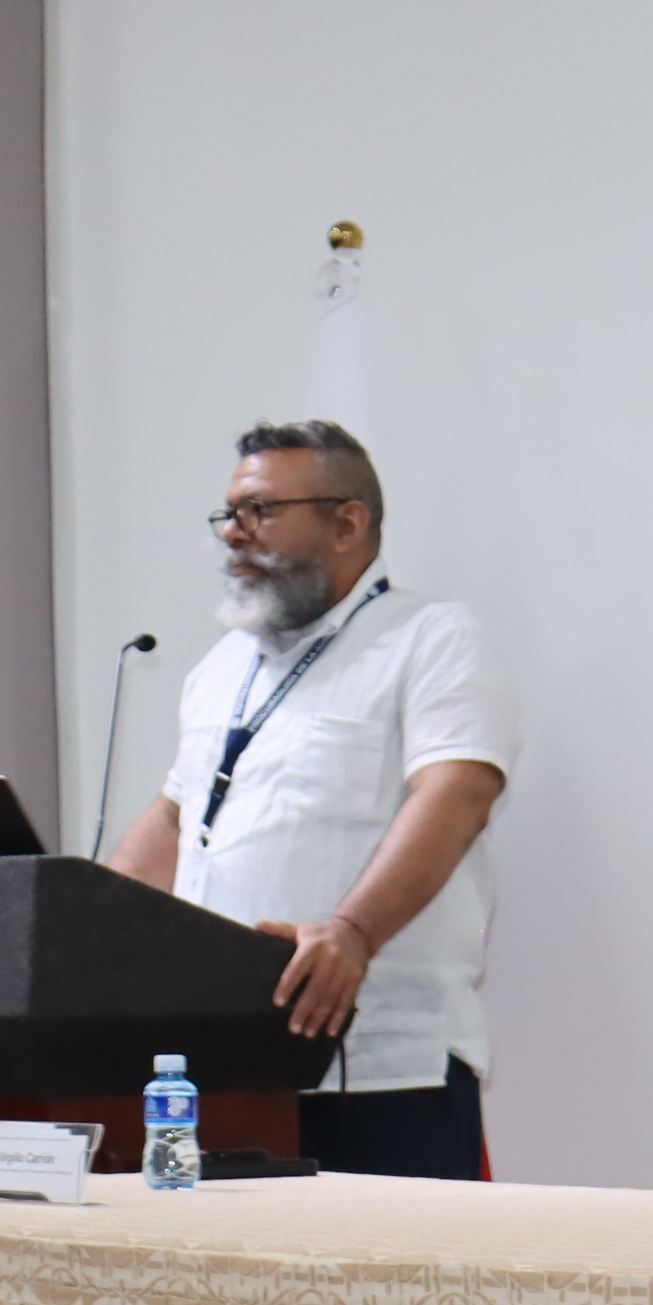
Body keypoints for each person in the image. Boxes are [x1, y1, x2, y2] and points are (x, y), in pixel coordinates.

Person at [107, 420, 513, 1179]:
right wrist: (85, 928)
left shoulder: (430, 638)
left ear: (347, 524)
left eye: (259, 511)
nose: (233, 532)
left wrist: (353, 931)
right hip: (226, 1070)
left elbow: (458, 794)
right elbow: (176, 819)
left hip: (380, 1070)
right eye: (229, 513)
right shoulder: (222, 668)